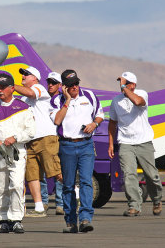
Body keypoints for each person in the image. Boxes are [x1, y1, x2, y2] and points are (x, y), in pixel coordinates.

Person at [50, 69, 104, 233]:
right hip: (66, 146)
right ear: (63, 87)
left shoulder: (89, 96)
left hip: (86, 145)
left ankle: (86, 218)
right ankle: (70, 221)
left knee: (87, 182)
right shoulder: (56, 100)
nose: (74, 87)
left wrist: (94, 124)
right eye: (70, 85)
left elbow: (100, 114)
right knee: (68, 185)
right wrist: (66, 100)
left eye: (76, 83)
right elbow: (57, 120)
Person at [0, 73, 35, 234]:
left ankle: (16, 219)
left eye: (3, 87)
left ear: (12, 88)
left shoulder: (24, 107)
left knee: (17, 184)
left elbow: (31, 131)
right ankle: (3, 219)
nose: (0, 90)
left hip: (17, 152)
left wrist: (15, 138)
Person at [108, 72, 162, 217]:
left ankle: (157, 200)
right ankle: (134, 205)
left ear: (133, 85)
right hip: (126, 143)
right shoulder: (115, 101)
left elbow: (138, 102)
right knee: (128, 175)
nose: (122, 85)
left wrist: (124, 88)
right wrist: (111, 144)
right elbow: (112, 123)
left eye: (126, 82)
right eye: (121, 82)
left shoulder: (142, 94)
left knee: (152, 175)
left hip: (144, 141)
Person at [14, 67, 62, 218]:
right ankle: (39, 207)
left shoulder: (39, 88)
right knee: (32, 175)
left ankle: (74, 198)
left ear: (34, 78)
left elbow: (30, 93)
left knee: (55, 171)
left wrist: (10, 85)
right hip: (29, 140)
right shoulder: (23, 99)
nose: (23, 76)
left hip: (45, 138)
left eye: (26, 74)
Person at [40, 72, 64, 215]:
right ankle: (43, 202)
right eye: (49, 82)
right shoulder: (42, 98)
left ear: (60, 85)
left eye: (54, 83)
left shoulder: (62, 99)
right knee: (41, 172)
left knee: (58, 171)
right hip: (43, 138)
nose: (50, 85)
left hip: (58, 138)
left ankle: (60, 204)